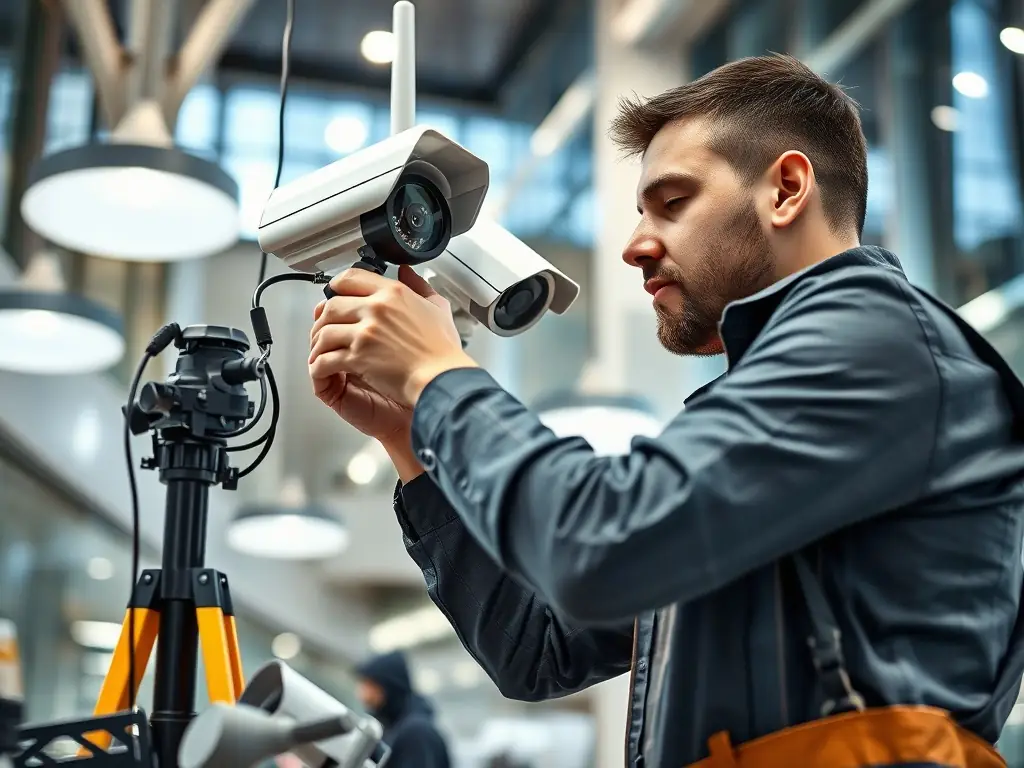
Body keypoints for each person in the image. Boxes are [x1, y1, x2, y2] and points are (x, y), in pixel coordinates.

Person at [307, 54, 1024, 767]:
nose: (633, 246)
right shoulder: (776, 419)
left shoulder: (874, 344)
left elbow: (600, 545)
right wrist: (411, 441)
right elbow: (535, 647)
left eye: (673, 203)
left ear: (787, 189)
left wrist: (439, 377)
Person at [353, 650, 451, 768]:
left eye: (369, 685)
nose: (362, 694)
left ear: (387, 687)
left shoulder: (417, 732)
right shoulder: (391, 729)